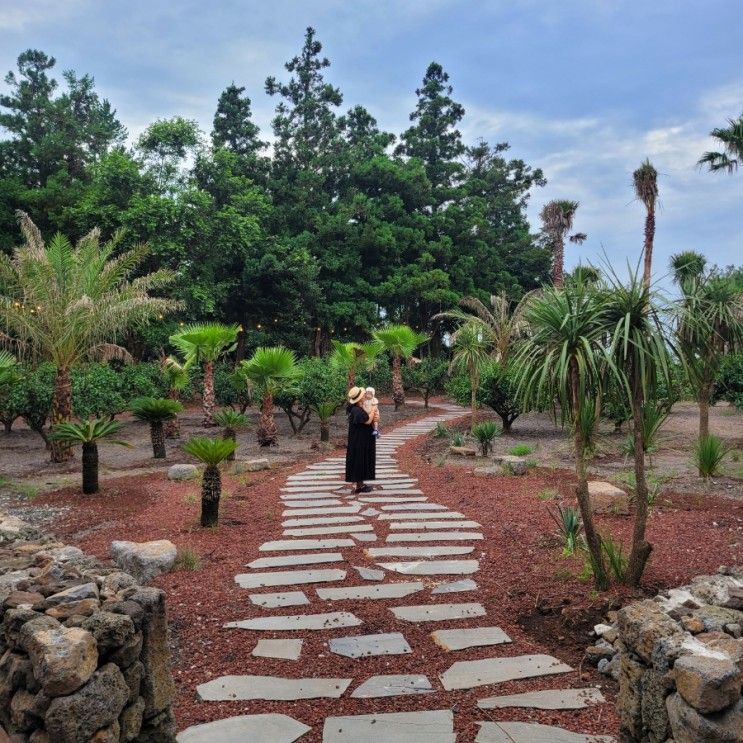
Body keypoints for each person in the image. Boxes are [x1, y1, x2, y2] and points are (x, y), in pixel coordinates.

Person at [345, 385, 376, 493]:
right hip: (359, 441)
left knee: (361, 460)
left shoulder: (357, 408)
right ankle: (359, 486)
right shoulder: (357, 410)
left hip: (360, 440)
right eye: (363, 395)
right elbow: (367, 421)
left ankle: (361, 484)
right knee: (359, 460)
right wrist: (374, 409)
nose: (364, 396)